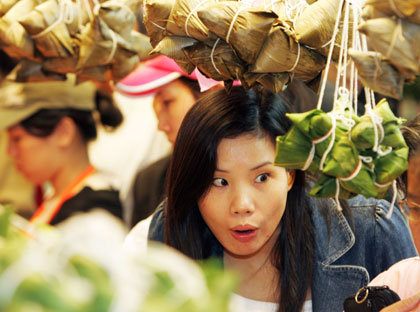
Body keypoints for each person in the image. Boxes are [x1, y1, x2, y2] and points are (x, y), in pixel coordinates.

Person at [147, 86, 417, 312]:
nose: (242, 205)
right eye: (219, 182)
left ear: (290, 174)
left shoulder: (374, 231)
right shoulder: (171, 230)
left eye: (262, 177)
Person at [0, 76, 124, 225]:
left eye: (17, 139)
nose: (10, 152)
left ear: (64, 132)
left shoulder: (94, 214)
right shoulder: (56, 198)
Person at [116, 55, 213, 227]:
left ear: (209, 94)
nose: (160, 125)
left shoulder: (246, 167)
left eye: (168, 103)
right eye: (157, 104)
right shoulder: (149, 181)